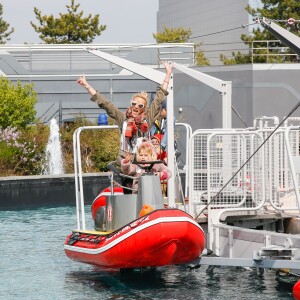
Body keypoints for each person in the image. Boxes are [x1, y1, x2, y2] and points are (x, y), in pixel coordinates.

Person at [76, 61, 173, 165]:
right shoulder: (123, 119)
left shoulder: (147, 119)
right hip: (126, 160)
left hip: (144, 160)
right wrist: (87, 86)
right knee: (128, 172)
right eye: (134, 104)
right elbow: (105, 104)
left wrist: (168, 74)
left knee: (154, 171)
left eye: (140, 106)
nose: (136, 107)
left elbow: (159, 98)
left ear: (144, 109)